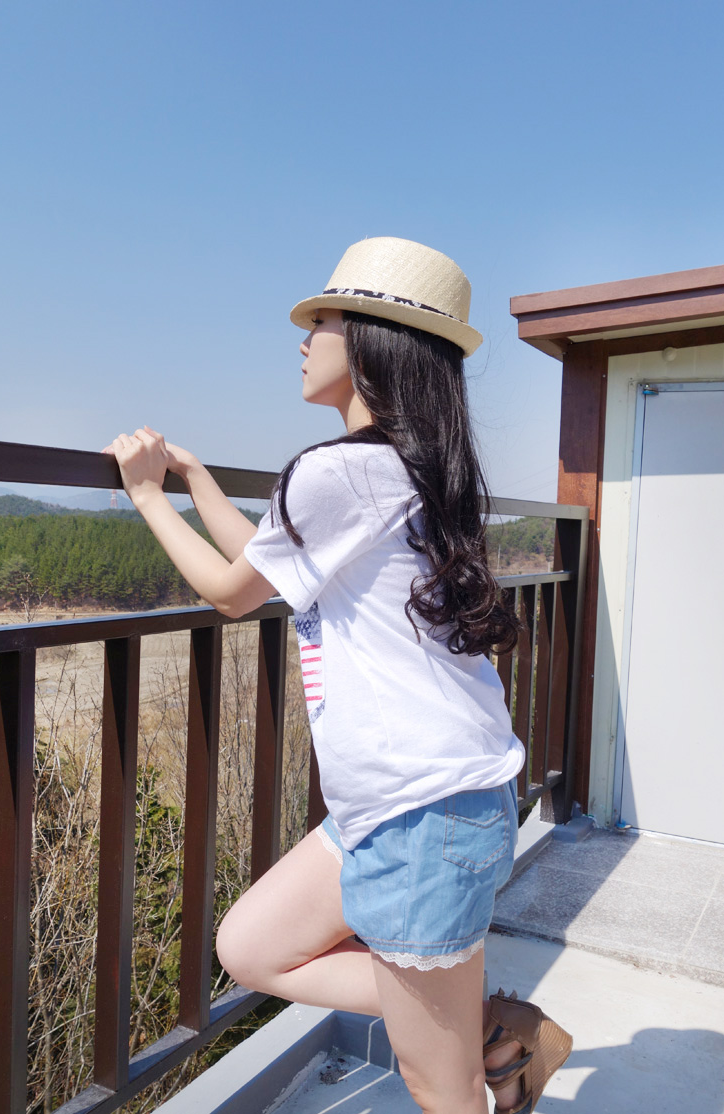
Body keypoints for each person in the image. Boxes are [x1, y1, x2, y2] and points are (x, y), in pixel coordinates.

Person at [106, 236, 572, 1114]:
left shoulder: (340, 471)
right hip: (413, 801)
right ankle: (491, 1028)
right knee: (251, 947)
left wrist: (145, 496)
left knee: (439, 1088)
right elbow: (270, 568)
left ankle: (472, 1034)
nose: (303, 337)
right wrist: (198, 481)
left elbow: (230, 593)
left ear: (368, 342)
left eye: (319, 320)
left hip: (423, 810)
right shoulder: (408, 470)